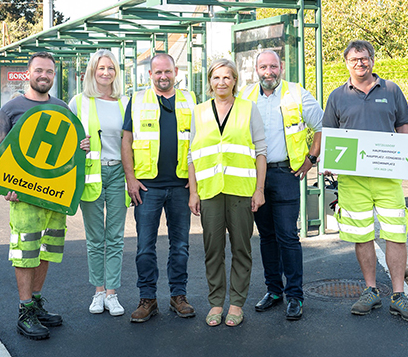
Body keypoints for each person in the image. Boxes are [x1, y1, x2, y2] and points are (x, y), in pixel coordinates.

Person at [322, 39, 408, 323]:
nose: (360, 63)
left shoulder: (391, 90)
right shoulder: (337, 96)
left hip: (388, 177)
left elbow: (404, 126)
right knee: (361, 234)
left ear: (373, 60)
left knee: (395, 233)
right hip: (353, 181)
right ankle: (370, 290)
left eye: (364, 58)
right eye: (354, 60)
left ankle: (398, 294)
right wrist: (328, 163)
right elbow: (329, 133)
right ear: (346, 63)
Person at [0, 51, 68, 340]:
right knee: (25, 252)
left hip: (54, 195)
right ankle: (24, 312)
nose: (44, 75)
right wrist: (4, 183)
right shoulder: (10, 109)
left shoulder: (61, 108)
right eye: (39, 71)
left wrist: (82, 144)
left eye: (49, 71)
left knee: (45, 249)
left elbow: (69, 147)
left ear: (53, 76)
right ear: (28, 74)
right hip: (23, 197)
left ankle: (35, 304)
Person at [240, 50, 323, 321]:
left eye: (273, 66)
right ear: (256, 70)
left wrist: (311, 158)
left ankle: (295, 295)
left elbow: (323, 125)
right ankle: (274, 291)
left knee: (288, 236)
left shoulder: (297, 93)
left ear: (281, 67)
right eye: (263, 67)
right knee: (266, 236)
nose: (269, 72)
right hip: (255, 178)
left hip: (287, 174)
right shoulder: (245, 97)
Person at [188, 58, 266, 328]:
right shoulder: (198, 111)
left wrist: (259, 190)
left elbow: (260, 151)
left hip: (241, 190)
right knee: (213, 250)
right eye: (216, 77)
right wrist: (193, 192)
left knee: (242, 248)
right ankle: (216, 303)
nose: (221, 82)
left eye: (226, 77)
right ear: (209, 81)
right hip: (210, 191)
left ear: (234, 80)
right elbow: (192, 154)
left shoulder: (248, 109)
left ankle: (236, 304)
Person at [121, 53, 197, 323]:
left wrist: (195, 179)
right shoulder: (137, 100)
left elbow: (199, 142)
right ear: (149, 75)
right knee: (144, 247)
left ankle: (179, 296)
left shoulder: (190, 100)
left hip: (180, 186)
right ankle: (147, 299)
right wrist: (130, 178)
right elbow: (126, 140)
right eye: (157, 72)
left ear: (176, 72)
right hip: (147, 187)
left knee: (180, 246)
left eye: (167, 71)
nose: (163, 76)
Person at [68, 50, 130, 317]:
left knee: (115, 237)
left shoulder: (125, 103)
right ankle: (98, 292)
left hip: (118, 174)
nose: (106, 73)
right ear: (92, 71)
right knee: (95, 239)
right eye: (101, 68)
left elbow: (131, 141)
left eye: (111, 68)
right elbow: (65, 139)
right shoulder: (78, 102)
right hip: (91, 177)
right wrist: (75, 144)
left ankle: (113, 293)